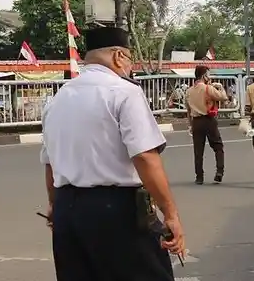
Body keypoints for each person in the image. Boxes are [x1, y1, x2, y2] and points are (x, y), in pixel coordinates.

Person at [40, 27, 185, 281]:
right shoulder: (124, 91)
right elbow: (145, 157)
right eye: (129, 60)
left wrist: (54, 205)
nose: (130, 67)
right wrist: (170, 214)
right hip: (116, 211)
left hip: (67, 212)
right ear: (118, 56)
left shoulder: (58, 99)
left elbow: (50, 162)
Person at [186, 65, 229, 185]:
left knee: (198, 151)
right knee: (218, 146)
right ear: (204, 75)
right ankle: (219, 172)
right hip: (208, 120)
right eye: (208, 74)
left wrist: (190, 125)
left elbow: (188, 111)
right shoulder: (208, 88)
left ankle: (199, 177)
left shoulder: (189, 91)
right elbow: (223, 97)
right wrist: (220, 87)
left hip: (196, 121)